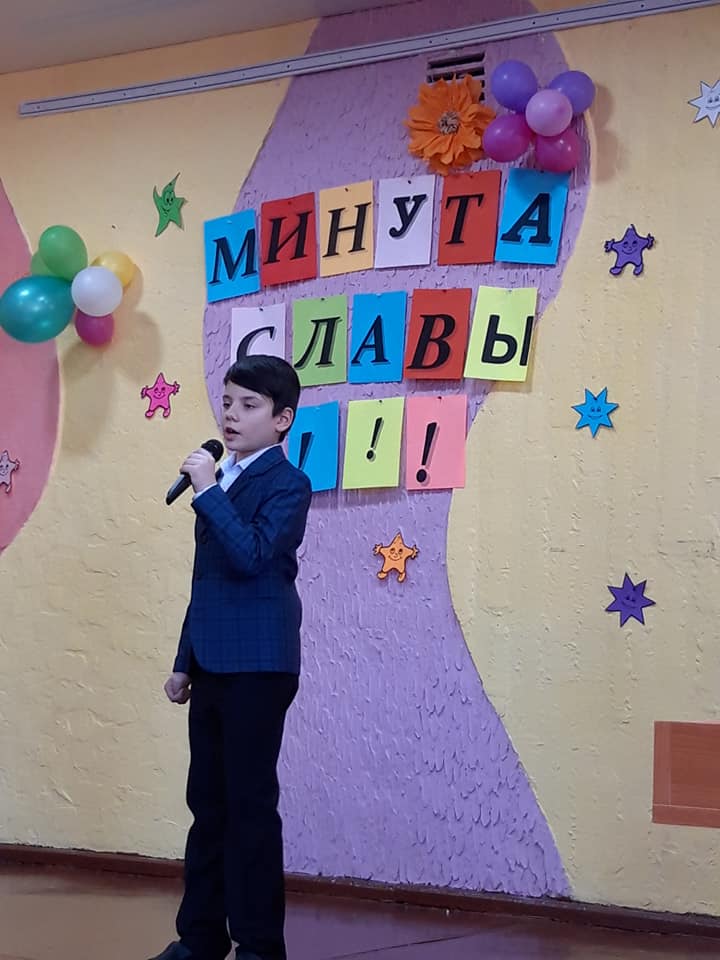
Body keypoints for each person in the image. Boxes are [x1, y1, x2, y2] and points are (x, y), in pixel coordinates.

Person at [149, 355, 312, 960]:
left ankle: (260, 946)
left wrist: (208, 491)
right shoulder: (221, 481)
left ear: (282, 419)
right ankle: (199, 940)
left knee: (249, 807)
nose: (231, 415)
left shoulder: (287, 484)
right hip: (213, 662)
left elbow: (252, 556)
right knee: (208, 806)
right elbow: (208, 580)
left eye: (248, 405)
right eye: (227, 402)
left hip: (260, 667)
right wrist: (183, 660)